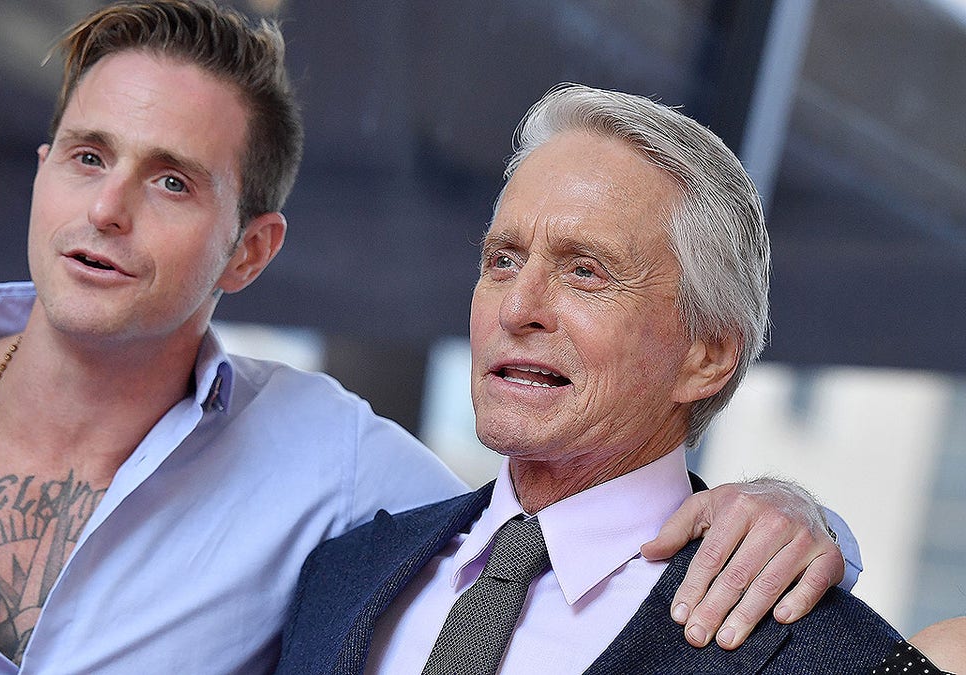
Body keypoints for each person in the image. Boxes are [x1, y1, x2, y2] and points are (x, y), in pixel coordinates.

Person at [0, 2, 856, 673]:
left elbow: (551, 514)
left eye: (174, 182)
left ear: (250, 252)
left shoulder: (333, 474)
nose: (108, 210)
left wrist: (799, 518)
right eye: (87, 157)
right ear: (42, 170)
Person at [274, 83, 900, 674]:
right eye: (503, 260)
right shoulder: (342, 577)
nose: (517, 309)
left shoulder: (819, 653)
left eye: (585, 272)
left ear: (706, 355)